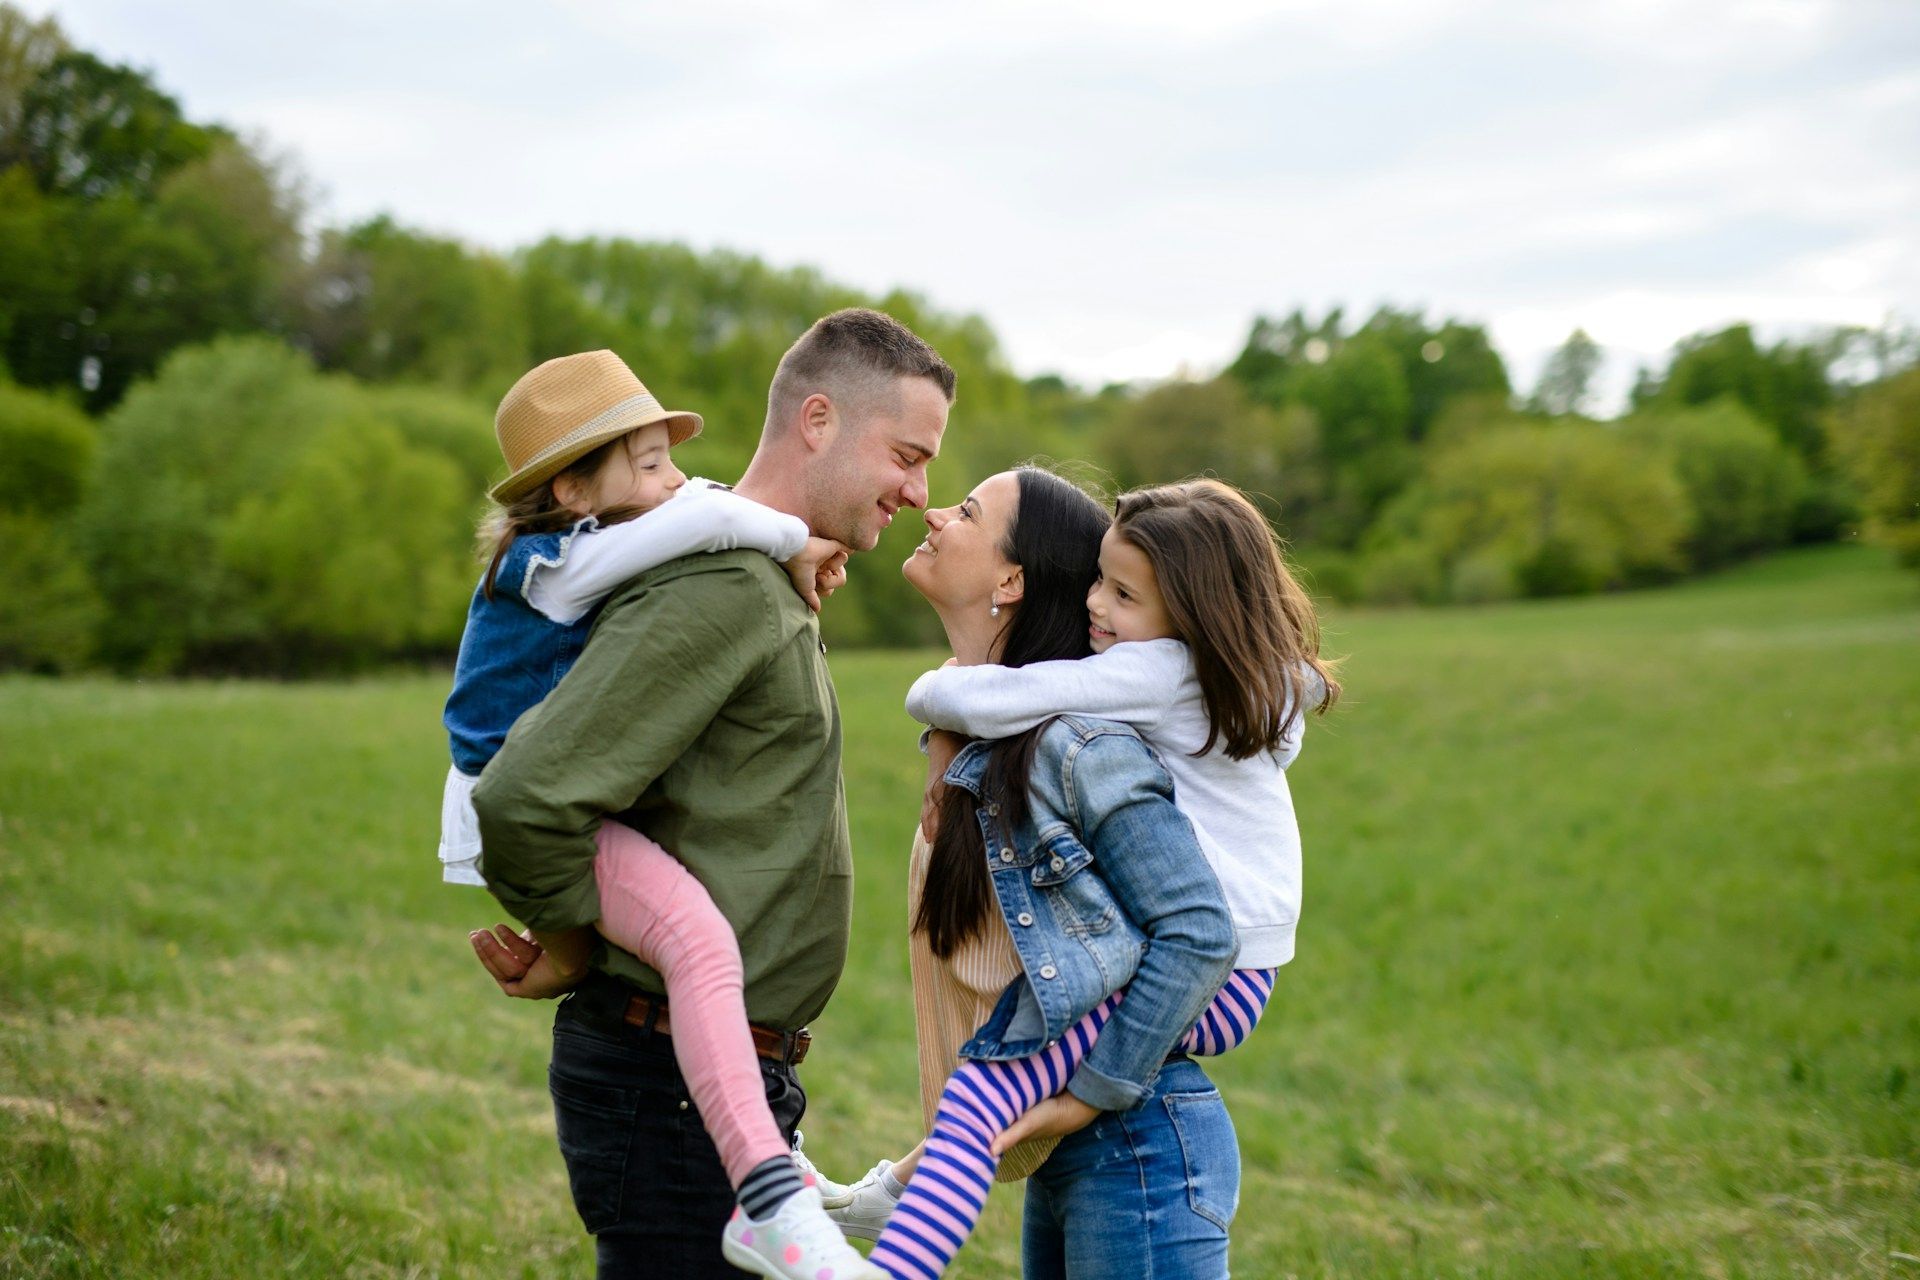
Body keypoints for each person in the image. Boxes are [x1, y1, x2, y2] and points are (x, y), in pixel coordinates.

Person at [468, 310, 954, 1280]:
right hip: (669, 1084)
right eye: (906, 454)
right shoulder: (725, 585)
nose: (921, 489)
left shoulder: (764, 568)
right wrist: (579, 931)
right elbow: (523, 797)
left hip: (708, 1079)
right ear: (818, 419)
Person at [844, 478, 1341, 1278]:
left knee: (983, 1093)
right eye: (1096, 582)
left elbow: (1035, 691)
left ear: (1190, 609)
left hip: (1205, 998)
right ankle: (893, 1199)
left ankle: (891, 1252)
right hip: (1237, 978)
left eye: (1122, 593)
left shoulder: (1146, 682)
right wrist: (946, 737)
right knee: (984, 1092)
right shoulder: (1209, 677)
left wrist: (935, 704)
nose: (1096, 607)